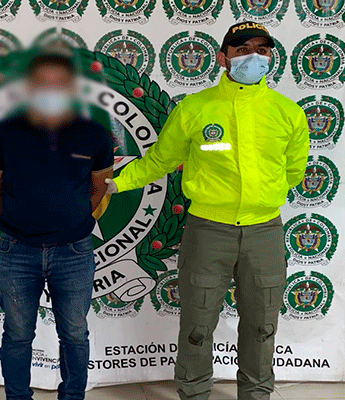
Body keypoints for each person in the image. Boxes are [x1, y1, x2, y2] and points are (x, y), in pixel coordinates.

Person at [106, 22, 309, 400]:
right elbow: (160, 160)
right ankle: (194, 393)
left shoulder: (288, 113)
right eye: (242, 49)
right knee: (197, 325)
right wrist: (115, 183)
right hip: (207, 231)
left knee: (262, 325)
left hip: (264, 232)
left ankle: (256, 394)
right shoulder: (195, 108)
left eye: (262, 50)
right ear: (222, 58)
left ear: (270, 57)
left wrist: (263, 197)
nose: (253, 57)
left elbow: (293, 171)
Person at [0, 52, 114, 400]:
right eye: (42, 83)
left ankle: (72, 396)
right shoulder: (0, 134)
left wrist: (71, 217)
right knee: (17, 335)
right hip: (16, 251)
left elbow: (98, 186)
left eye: (59, 83)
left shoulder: (95, 134)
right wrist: (15, 220)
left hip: (74, 251)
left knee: (74, 334)